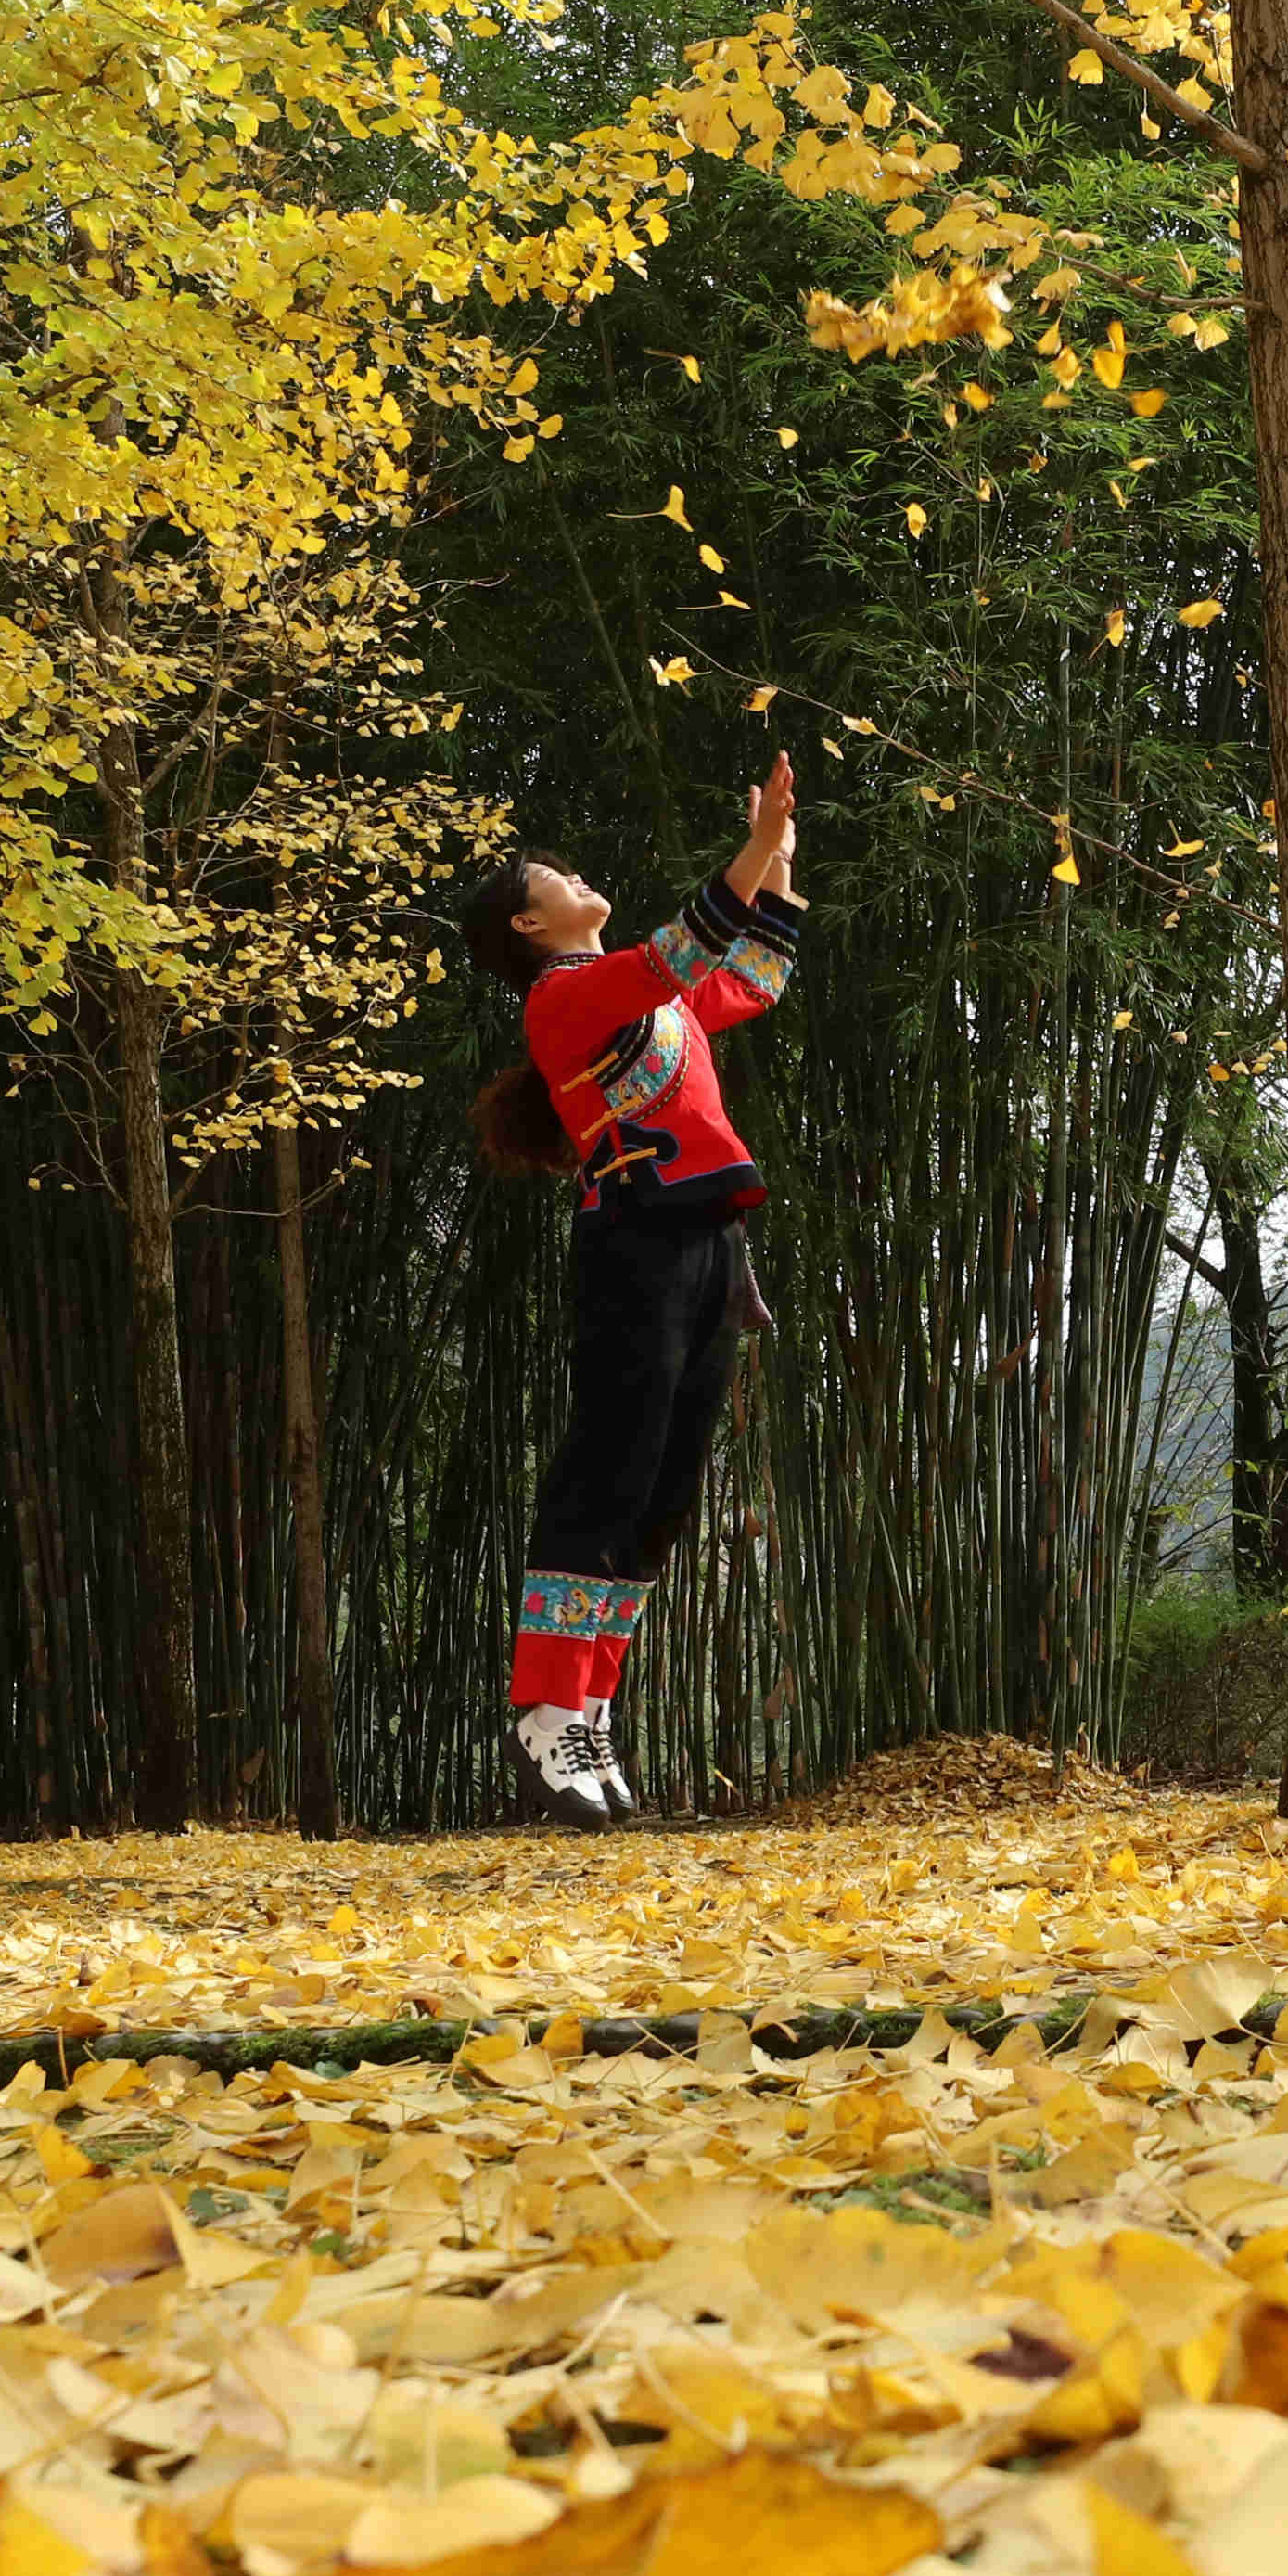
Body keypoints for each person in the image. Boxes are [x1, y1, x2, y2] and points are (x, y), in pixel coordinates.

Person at [449, 751, 804, 1824]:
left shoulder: (653, 997)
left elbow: (757, 976)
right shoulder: (565, 998)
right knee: (604, 1472)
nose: (568, 874)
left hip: (707, 1248)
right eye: (545, 875)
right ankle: (543, 1709)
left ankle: (592, 1709)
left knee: (661, 1498)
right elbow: (683, 948)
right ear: (526, 925)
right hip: (632, 1245)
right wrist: (748, 851)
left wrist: (779, 857)